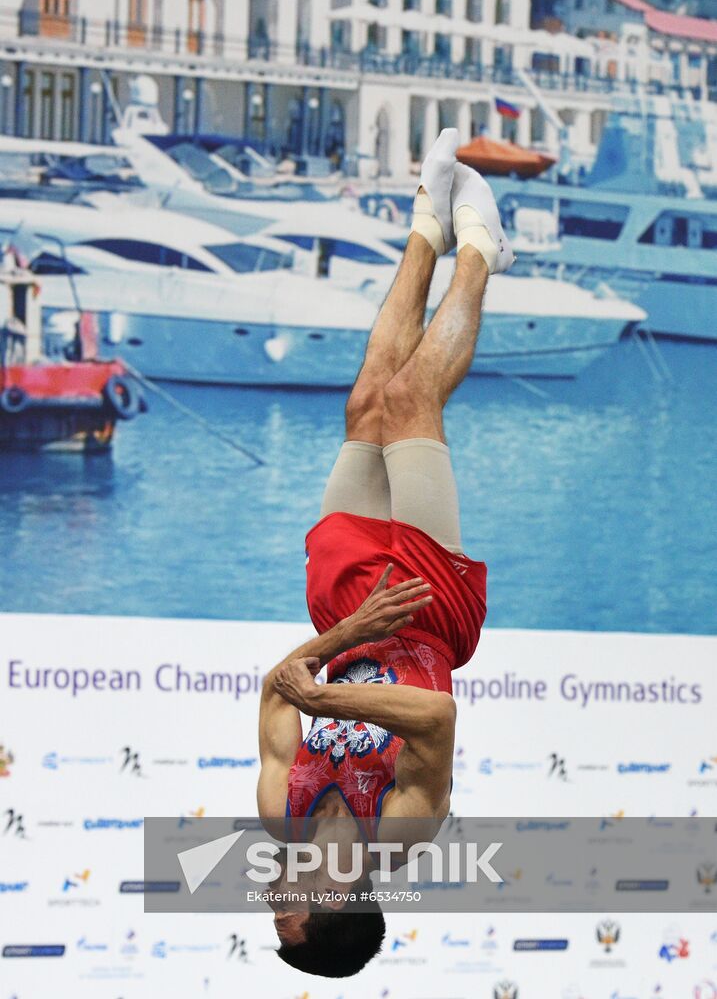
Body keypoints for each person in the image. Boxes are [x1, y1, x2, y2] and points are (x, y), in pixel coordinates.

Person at [257, 128, 514, 977]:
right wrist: (323, 688)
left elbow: (275, 694)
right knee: (411, 403)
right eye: (286, 920)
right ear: (333, 906)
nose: (271, 903)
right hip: (428, 615)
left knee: (367, 399)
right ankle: (480, 249)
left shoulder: (279, 818)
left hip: (347, 615)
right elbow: (436, 719)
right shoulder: (398, 835)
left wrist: (332, 645)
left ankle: (425, 225)